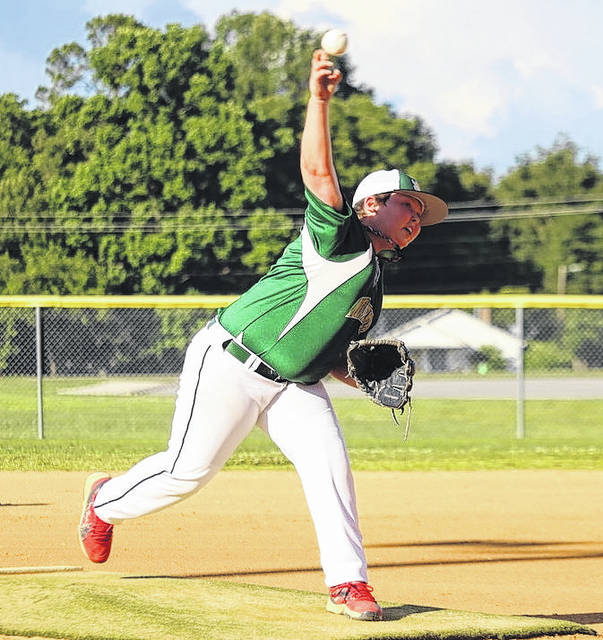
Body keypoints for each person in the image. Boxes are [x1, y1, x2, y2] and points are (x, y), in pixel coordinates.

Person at [78, 48, 448, 622]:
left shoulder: (372, 284)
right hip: (230, 363)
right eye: (409, 204)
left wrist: (361, 378)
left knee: (330, 466)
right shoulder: (340, 238)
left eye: (421, 214)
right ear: (370, 204)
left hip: (292, 385)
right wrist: (318, 100)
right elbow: (319, 174)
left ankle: (348, 584)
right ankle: (104, 502)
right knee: (186, 472)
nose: (416, 218)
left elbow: (322, 354)